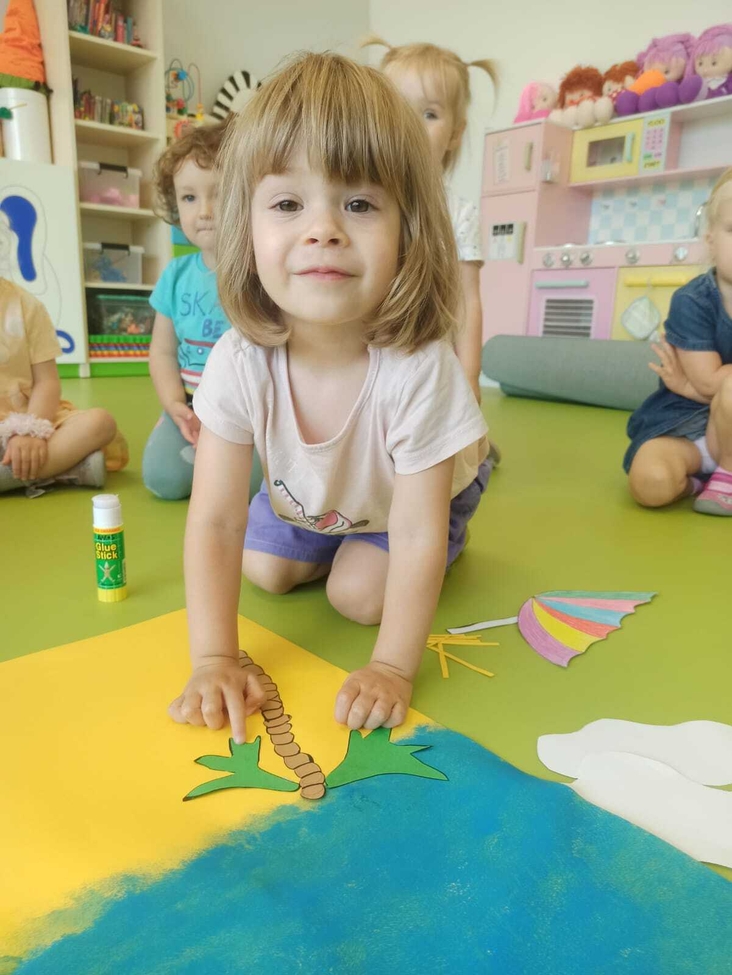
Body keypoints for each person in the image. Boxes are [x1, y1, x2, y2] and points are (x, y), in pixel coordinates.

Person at [168, 52, 492, 742]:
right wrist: (215, 658)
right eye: (288, 204)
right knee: (264, 568)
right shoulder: (239, 359)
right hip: (323, 497)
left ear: (408, 228)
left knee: (358, 595)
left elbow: (415, 533)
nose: (323, 230)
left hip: (407, 501)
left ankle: (453, 519)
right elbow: (216, 521)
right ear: (245, 227)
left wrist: (392, 667)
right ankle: (329, 528)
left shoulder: (419, 368)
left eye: (360, 204)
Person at [363, 36, 498, 402]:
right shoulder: (361, 203)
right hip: (366, 359)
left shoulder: (459, 214)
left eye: (429, 114)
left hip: (430, 367)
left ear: (455, 133)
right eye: (396, 109)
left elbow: (467, 301)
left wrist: (470, 376)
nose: (409, 124)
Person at [626, 167, 732, 516]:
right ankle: (697, 482)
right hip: (687, 427)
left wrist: (689, 386)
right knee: (649, 483)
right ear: (711, 240)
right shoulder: (693, 300)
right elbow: (710, 383)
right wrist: (694, 388)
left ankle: (728, 476)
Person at [142, 121, 231, 500]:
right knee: (161, 479)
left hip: (246, 415)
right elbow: (162, 352)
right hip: (191, 408)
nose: (204, 211)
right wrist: (174, 404)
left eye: (220, 194)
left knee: (253, 486)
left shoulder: (262, 275)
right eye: (189, 197)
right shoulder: (176, 275)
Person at [0, 278, 123, 494]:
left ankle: (15, 473)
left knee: (100, 422)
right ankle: (65, 468)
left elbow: (46, 381)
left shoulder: (25, 305)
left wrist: (29, 430)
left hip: (28, 414)